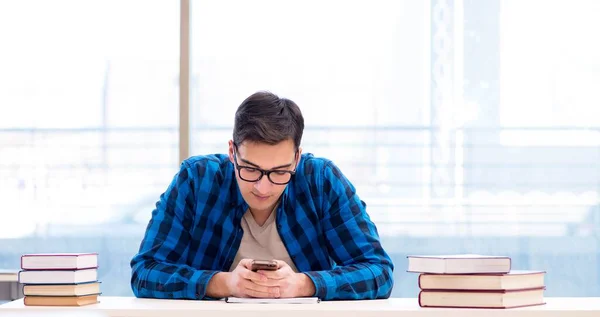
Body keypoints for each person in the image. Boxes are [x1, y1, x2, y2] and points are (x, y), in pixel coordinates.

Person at [130, 91, 394, 300]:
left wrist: (303, 284)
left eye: (280, 172)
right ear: (232, 152)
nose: (262, 188)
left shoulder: (322, 180)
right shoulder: (197, 180)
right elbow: (145, 273)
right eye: (250, 169)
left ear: (297, 158)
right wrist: (224, 283)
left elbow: (379, 272)